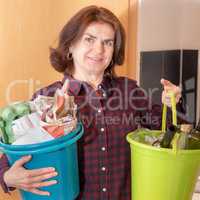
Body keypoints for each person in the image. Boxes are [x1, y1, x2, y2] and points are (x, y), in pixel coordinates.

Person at [0, 5, 184, 200]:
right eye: (89, 39)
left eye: (108, 42)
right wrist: (7, 176)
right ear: (71, 45)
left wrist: (172, 103)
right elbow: (15, 151)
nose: (99, 50)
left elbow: (167, 131)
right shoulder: (46, 98)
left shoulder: (129, 91)